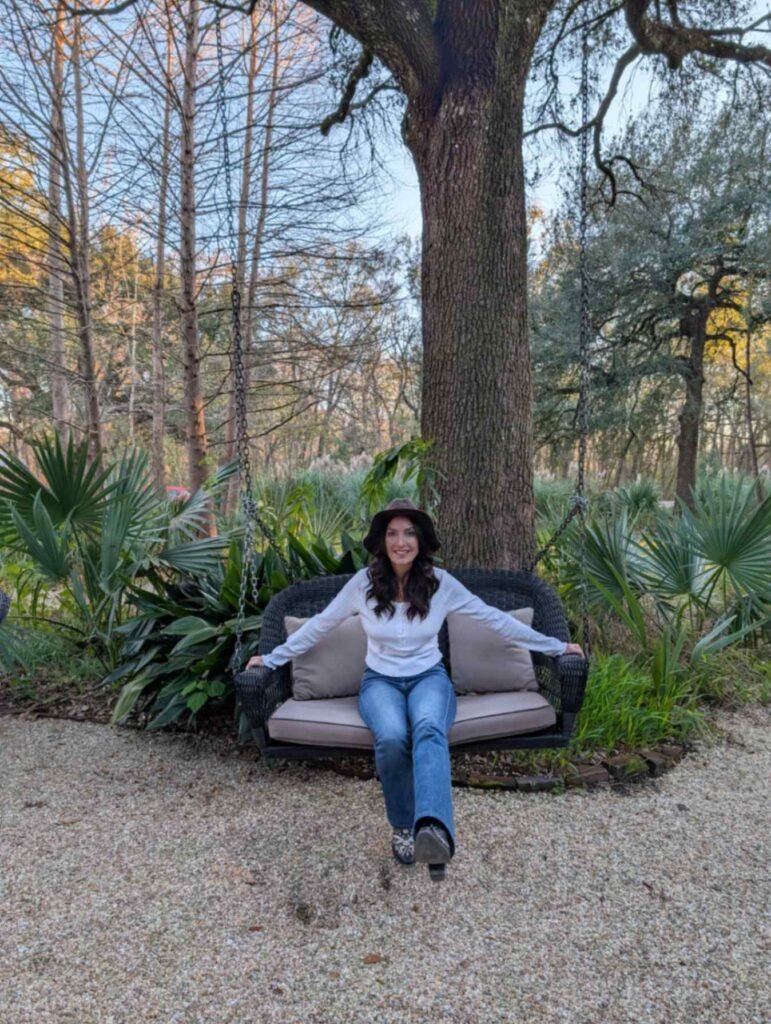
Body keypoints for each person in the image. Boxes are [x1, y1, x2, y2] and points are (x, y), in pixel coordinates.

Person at [246, 498, 583, 880]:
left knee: (428, 727)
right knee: (391, 736)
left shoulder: (442, 585)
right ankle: (405, 826)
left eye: (409, 533)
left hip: (429, 678)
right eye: (392, 534)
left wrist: (554, 647)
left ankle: (434, 830)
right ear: (382, 541)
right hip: (380, 682)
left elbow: (494, 620)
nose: (400, 542)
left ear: (421, 540)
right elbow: (320, 625)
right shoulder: (363, 585)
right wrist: (272, 658)